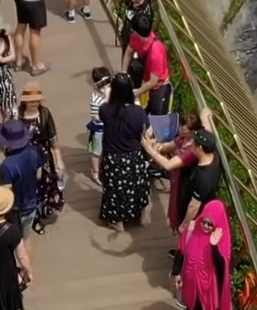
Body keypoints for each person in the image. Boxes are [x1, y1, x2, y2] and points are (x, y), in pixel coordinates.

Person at [96, 74, 156, 229]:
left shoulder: (105, 110)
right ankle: (141, 212)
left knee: (114, 189)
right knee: (137, 186)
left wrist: (107, 96)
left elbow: (101, 114)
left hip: (113, 158)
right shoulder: (138, 112)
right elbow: (148, 133)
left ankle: (117, 221)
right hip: (133, 157)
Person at [153, 125, 225, 233]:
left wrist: (184, 225)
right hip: (190, 203)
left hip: (195, 215)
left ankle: (182, 249)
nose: (190, 144)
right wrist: (206, 115)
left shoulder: (204, 177)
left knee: (188, 238)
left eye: (193, 143)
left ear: (199, 148)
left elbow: (194, 206)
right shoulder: (214, 155)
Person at [15, 83, 67, 227]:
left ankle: (42, 211)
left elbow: (53, 140)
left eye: (37, 101)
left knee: (46, 184)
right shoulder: (17, 115)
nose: (34, 104)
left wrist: (59, 160)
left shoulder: (45, 114)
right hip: (24, 157)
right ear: (24, 101)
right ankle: (28, 212)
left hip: (43, 156)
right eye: (31, 101)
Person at [176, 198, 235, 310]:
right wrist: (177, 273)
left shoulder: (221, 239)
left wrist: (214, 246)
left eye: (210, 224)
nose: (206, 226)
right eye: (204, 221)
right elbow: (181, 250)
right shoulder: (192, 229)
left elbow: (222, 267)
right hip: (190, 285)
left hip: (208, 292)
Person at [0, 118, 46, 232]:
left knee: (16, 240)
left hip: (16, 210)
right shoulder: (34, 151)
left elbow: (6, 192)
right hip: (32, 204)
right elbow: (39, 175)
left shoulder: (7, 166)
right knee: (27, 236)